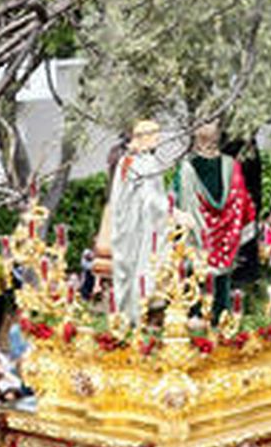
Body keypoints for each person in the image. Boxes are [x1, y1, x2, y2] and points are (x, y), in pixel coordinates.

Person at [174, 121, 257, 313]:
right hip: (226, 236)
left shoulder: (187, 168)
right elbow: (242, 198)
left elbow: (176, 199)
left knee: (194, 273)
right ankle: (221, 316)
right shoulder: (232, 166)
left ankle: (193, 314)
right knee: (222, 274)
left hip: (197, 234)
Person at [97, 120, 174, 323]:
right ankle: (136, 316)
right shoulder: (144, 163)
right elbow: (151, 200)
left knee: (128, 272)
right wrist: (174, 212)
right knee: (140, 269)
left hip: (126, 228)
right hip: (139, 228)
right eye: (155, 137)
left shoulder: (126, 161)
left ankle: (127, 316)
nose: (158, 141)